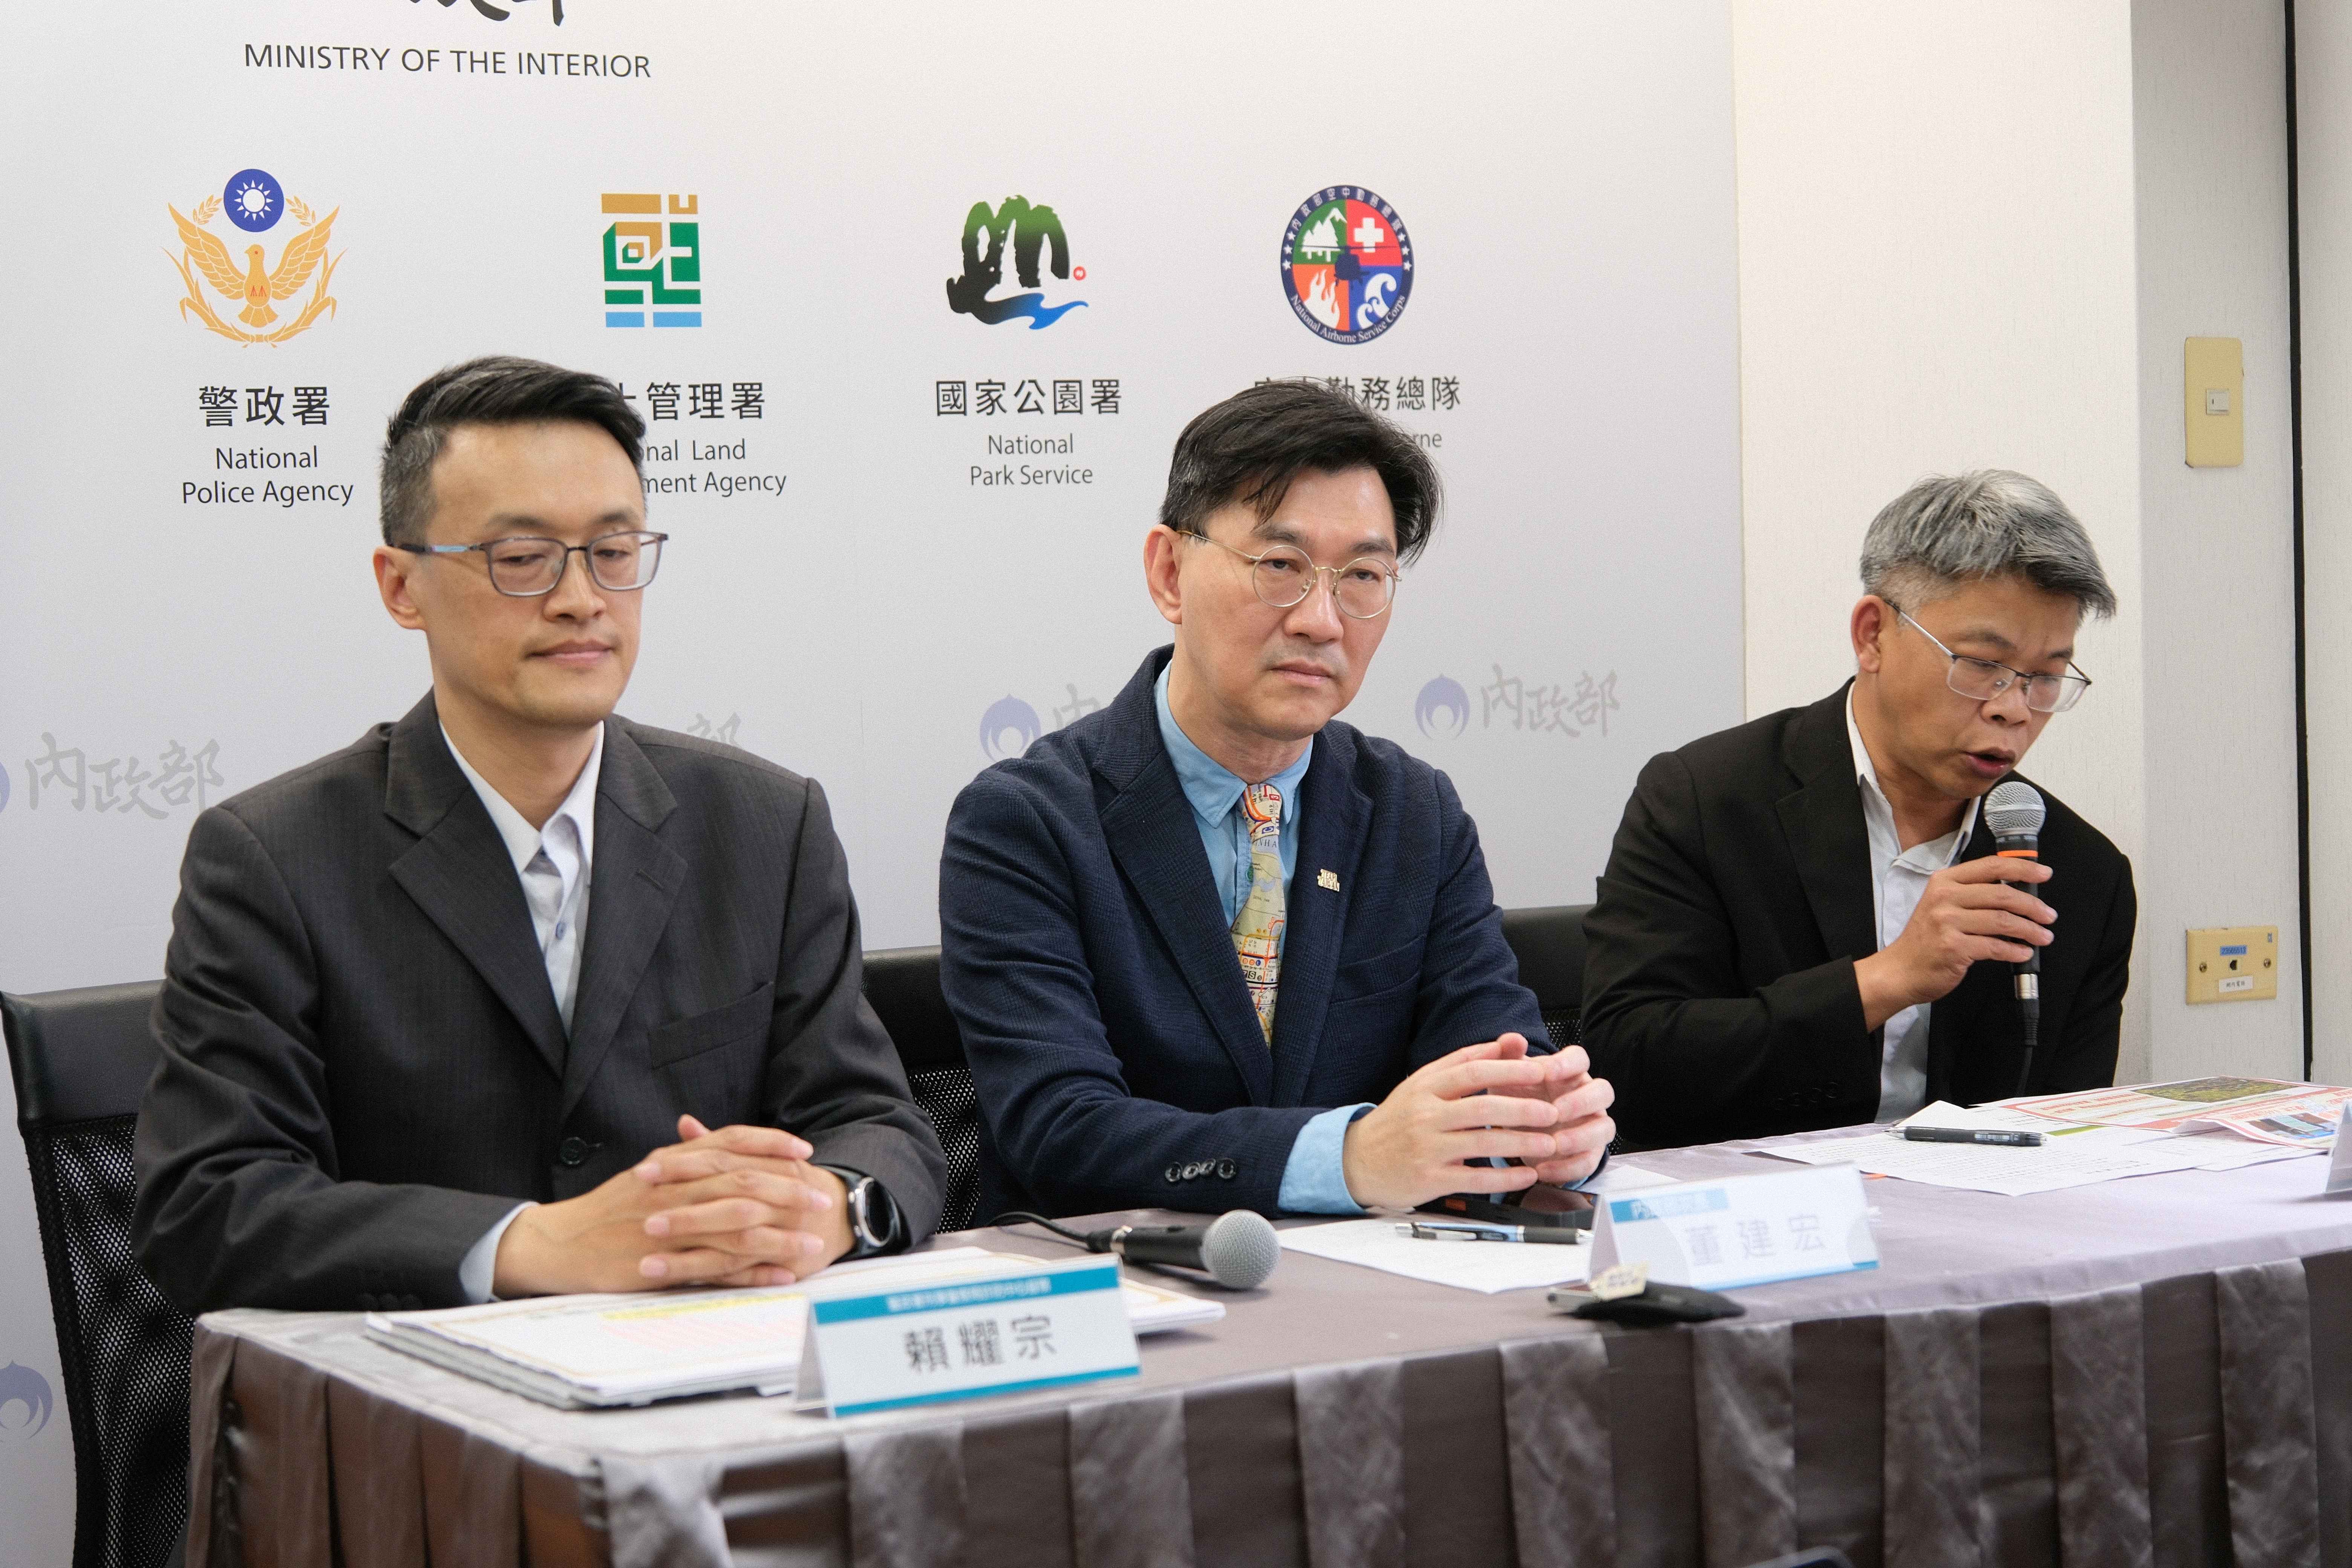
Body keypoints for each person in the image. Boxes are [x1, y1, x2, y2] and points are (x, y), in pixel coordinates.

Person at [134, 356, 945, 1312]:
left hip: (717, 1368)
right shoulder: (273, 857)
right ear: (401, 586)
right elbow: (209, 1204)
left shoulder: (766, 824)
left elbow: (875, 1121)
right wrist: (533, 1242)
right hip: (424, 1385)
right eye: (522, 559)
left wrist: (833, 1204)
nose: (582, 598)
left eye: (614, 550)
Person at [938, 381, 1615, 1221]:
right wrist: (1347, 1157)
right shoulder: (1025, 822)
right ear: (1169, 573)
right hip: (1127, 1279)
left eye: (1362, 575)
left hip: (1376, 1283)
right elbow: (1060, 1132)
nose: (1322, 620)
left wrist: (1544, 1128)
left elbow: (1493, 1057)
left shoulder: (1414, 813)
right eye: (1281, 567)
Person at [1582, 470, 2137, 1147]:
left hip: (1974, 1206)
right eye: (1982, 664)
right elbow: (1629, 1061)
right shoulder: (1705, 800)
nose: (2013, 709)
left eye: (2045, 677)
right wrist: (1887, 980)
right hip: (1756, 1196)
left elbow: (2069, 1126)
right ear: (1873, 635)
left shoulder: (2081, 873)